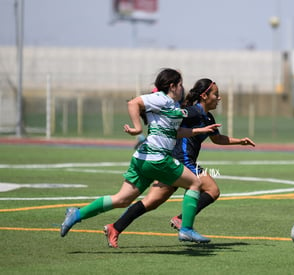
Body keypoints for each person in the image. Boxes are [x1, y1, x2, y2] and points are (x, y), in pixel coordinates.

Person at [60, 68, 221, 244]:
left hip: (142, 159)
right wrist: (137, 128)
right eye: (181, 84)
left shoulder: (173, 105)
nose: (183, 88)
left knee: (122, 199)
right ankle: (186, 229)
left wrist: (199, 130)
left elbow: (175, 132)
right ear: (173, 86)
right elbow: (133, 103)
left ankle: (76, 214)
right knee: (195, 183)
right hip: (157, 159)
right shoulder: (160, 98)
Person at [103, 78, 256, 248]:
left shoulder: (207, 117)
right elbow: (171, 119)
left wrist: (240, 141)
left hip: (173, 162)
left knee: (151, 202)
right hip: (181, 160)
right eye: (216, 94)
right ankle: (182, 221)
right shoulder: (191, 112)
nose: (219, 98)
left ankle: (115, 228)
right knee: (212, 189)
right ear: (205, 96)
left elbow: (217, 138)